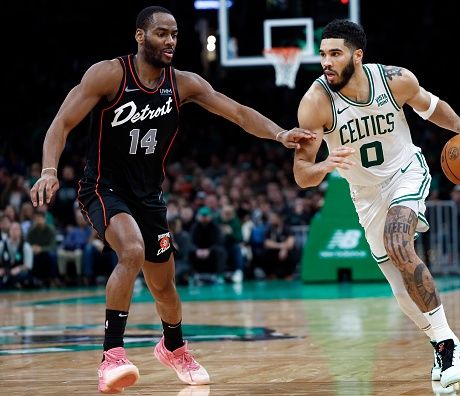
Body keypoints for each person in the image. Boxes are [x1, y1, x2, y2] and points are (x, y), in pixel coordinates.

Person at [29, 6, 314, 394]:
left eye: (175, 35)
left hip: (149, 197)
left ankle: (174, 346)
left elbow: (237, 112)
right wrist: (48, 170)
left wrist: (281, 134)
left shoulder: (183, 83)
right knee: (131, 251)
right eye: (162, 33)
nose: (171, 41)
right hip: (103, 188)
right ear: (140, 36)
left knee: (165, 287)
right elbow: (60, 123)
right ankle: (112, 355)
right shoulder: (109, 74)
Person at [293, 19, 460, 388]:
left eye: (335, 54)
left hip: (406, 171)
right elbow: (301, 173)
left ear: (357, 55)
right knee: (401, 290)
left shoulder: (394, 80)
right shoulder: (315, 103)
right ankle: (441, 341)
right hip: (365, 196)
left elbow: (431, 107)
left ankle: (451, 347)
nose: (326, 61)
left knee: (398, 241)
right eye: (323, 54)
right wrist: (323, 165)